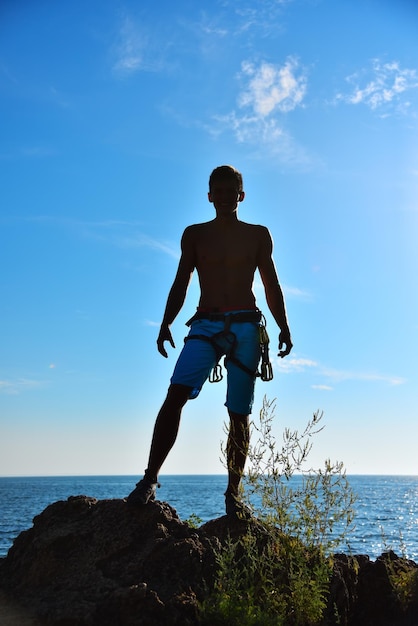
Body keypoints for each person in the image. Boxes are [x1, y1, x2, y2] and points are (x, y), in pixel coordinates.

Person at [126, 165, 292, 516]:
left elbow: (271, 285)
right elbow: (181, 281)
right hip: (205, 322)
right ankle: (149, 480)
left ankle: (234, 495)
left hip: (246, 324)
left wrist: (284, 327)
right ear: (209, 195)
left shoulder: (258, 235)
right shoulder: (195, 235)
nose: (225, 196)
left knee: (239, 413)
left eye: (231, 190)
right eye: (218, 190)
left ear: (241, 196)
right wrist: (166, 322)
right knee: (175, 395)